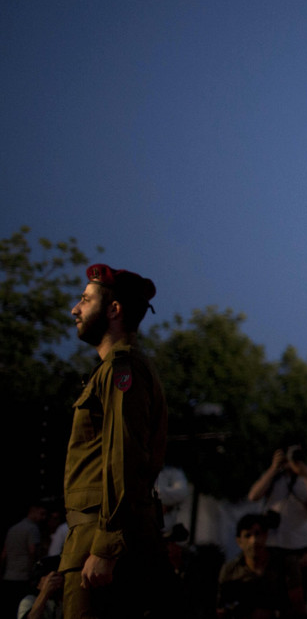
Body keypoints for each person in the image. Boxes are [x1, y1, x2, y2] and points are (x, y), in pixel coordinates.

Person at [61, 263, 168, 619]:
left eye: (85, 300)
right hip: (95, 535)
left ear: (114, 310)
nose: (75, 309)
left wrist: (105, 548)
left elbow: (124, 458)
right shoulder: (114, 370)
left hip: (105, 538)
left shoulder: (123, 368)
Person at [246, 445, 307, 602]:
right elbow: (253, 495)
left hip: (299, 548)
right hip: (273, 545)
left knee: (296, 599)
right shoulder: (275, 477)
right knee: (269, 598)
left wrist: (305, 474)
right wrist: (273, 468)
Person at [216, 513, 306, 619]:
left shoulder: (285, 564)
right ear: (239, 541)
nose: (254, 541)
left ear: (266, 535)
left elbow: (297, 604)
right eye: (247, 535)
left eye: (258, 534)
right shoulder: (231, 570)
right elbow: (221, 608)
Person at [3, 502, 47, 614]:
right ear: (33, 511)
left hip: (9, 576)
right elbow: (33, 552)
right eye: (41, 513)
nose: (44, 517)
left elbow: (4, 554)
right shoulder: (32, 529)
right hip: (23, 577)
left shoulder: (13, 528)